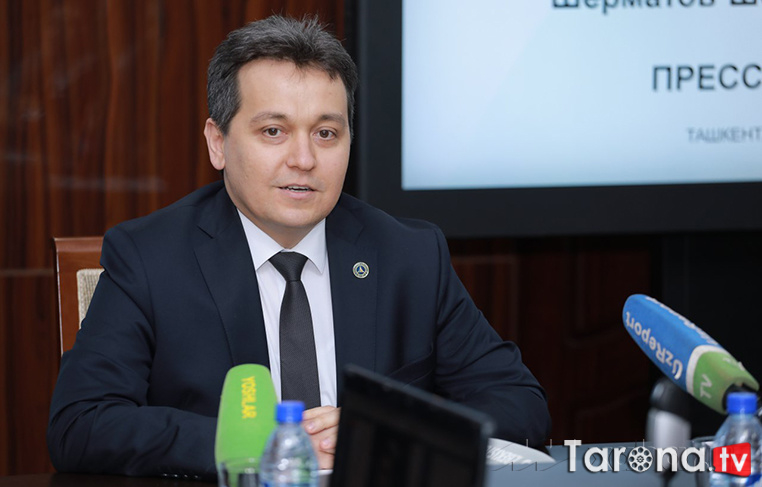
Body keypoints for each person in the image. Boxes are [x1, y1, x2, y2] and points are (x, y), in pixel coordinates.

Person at [47, 15, 551, 480]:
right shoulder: (150, 257)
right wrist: (254, 444)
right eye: (274, 131)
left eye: (326, 133)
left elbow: (519, 403)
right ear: (218, 142)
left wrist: (388, 430)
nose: (304, 159)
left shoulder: (409, 255)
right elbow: (81, 423)